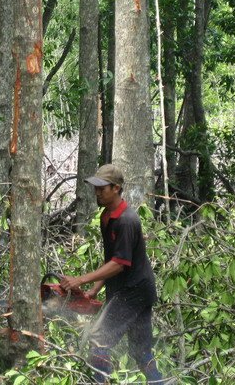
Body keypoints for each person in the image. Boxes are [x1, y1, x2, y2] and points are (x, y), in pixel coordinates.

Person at [60, 164, 164, 384]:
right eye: (96, 188)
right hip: (134, 289)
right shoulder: (107, 216)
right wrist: (94, 290)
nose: (97, 193)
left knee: (99, 339)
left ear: (116, 188)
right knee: (140, 351)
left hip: (133, 291)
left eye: (102, 188)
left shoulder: (127, 220)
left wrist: (80, 280)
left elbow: (119, 264)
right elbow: (112, 259)